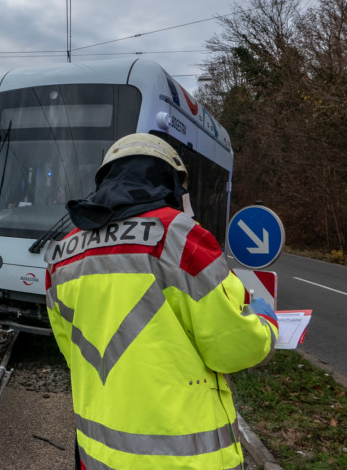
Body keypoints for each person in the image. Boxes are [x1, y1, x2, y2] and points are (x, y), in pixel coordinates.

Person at [44, 133, 278, 470]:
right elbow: (232, 348)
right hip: (186, 461)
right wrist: (266, 324)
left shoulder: (61, 256)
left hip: (99, 458)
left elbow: (73, 354)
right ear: (172, 183)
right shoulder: (181, 237)